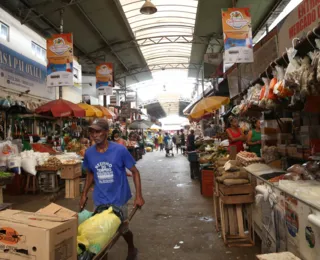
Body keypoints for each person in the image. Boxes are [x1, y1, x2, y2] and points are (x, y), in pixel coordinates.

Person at [80, 119, 144, 260]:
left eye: (98, 131)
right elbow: (90, 173)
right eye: (92, 132)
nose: (94, 135)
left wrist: (138, 196)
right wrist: (84, 193)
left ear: (106, 132)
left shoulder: (120, 150)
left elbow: (135, 172)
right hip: (100, 199)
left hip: (119, 199)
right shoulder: (89, 153)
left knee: (123, 229)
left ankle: (132, 248)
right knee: (101, 234)